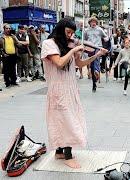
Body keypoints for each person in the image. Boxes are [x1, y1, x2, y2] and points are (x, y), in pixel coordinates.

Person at [40, 18, 107, 169]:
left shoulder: (69, 45)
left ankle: (59, 152)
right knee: (66, 121)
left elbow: (80, 64)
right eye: (68, 32)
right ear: (60, 29)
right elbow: (59, 62)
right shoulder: (48, 44)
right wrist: (74, 50)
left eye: (72, 33)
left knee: (64, 120)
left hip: (70, 88)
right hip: (58, 89)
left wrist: (96, 55)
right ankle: (68, 155)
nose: (71, 36)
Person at [84, 16, 109, 92]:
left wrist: (106, 39)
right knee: (91, 63)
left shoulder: (99, 29)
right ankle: (94, 82)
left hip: (98, 47)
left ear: (96, 23)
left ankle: (97, 71)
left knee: (96, 58)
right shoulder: (86, 30)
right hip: (90, 47)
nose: (93, 23)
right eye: (92, 22)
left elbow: (106, 36)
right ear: (90, 23)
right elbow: (84, 39)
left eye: (95, 22)